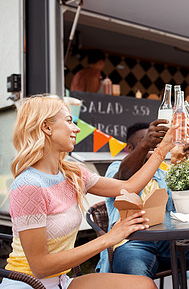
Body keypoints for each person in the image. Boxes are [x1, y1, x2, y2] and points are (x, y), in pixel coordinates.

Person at [1, 94, 177, 289]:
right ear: (47, 127)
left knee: (145, 285)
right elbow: (40, 267)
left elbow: (128, 187)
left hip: (61, 282)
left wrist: (163, 148)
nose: (76, 128)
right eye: (69, 121)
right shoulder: (29, 185)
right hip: (29, 284)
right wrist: (110, 237)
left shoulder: (71, 173)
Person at [96, 120, 189, 289]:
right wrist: (145, 145)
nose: (152, 146)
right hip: (131, 243)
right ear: (129, 149)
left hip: (168, 241)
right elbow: (124, 177)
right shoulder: (116, 168)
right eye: (144, 142)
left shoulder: (166, 172)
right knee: (135, 276)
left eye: (155, 142)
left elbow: (184, 209)